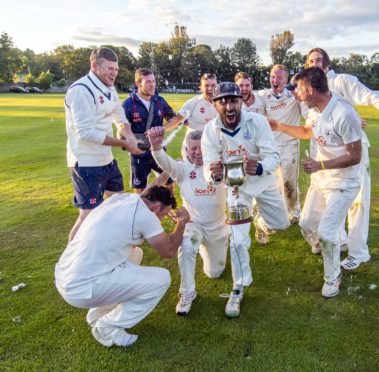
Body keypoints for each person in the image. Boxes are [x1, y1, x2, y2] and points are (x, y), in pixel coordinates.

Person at [55, 186, 189, 347]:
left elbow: (152, 187)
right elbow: (168, 251)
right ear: (154, 208)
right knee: (162, 279)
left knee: (135, 253)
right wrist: (181, 223)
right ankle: (107, 328)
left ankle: (98, 314)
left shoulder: (121, 198)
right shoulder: (146, 216)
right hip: (80, 289)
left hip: (65, 276)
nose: (162, 219)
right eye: (164, 214)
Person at [268, 67, 362, 298]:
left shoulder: (344, 114)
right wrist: (278, 126)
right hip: (320, 183)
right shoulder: (315, 110)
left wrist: (320, 165)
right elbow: (306, 132)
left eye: (299, 90)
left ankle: (333, 278)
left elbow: (355, 156)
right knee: (306, 225)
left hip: (343, 183)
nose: (296, 94)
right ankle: (327, 246)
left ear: (310, 90)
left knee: (327, 232)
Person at [305, 47, 379, 270]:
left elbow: (369, 96)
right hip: (324, 152)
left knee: (357, 201)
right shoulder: (308, 88)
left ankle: (358, 252)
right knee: (328, 202)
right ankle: (337, 241)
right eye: (311, 61)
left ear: (327, 64)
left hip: (351, 151)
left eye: (319, 60)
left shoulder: (341, 81)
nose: (315, 64)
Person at [201, 82, 289, 317]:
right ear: (215, 104)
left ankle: (260, 221)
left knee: (282, 224)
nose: (229, 106)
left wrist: (259, 167)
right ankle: (239, 286)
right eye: (223, 102)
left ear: (241, 101)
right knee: (238, 241)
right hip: (237, 190)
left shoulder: (257, 122)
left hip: (263, 182)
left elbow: (273, 156)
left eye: (234, 101)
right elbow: (207, 167)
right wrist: (214, 175)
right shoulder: (211, 130)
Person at [147, 127, 229, 316]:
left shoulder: (218, 166)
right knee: (186, 243)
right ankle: (187, 293)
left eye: (201, 147)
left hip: (218, 226)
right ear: (186, 150)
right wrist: (155, 146)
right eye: (193, 148)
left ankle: (209, 248)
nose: (198, 152)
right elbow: (164, 162)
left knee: (214, 273)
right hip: (194, 224)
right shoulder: (182, 168)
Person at [64, 47, 143, 242]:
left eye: (116, 69)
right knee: (88, 215)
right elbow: (85, 132)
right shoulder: (81, 90)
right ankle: (69, 264)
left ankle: (111, 247)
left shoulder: (110, 89)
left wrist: (130, 137)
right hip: (85, 163)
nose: (114, 73)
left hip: (106, 160)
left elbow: (120, 117)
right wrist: (122, 142)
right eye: (110, 68)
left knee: (118, 204)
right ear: (94, 66)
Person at [256, 65, 305, 229]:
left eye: (278, 77)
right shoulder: (263, 96)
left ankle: (294, 211)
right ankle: (269, 212)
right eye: (272, 76)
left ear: (285, 80)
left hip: (289, 145)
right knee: (269, 182)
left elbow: (309, 112)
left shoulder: (294, 97)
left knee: (288, 182)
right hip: (269, 147)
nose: (274, 80)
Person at [122, 68, 184, 193]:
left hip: (159, 149)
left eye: (154, 81)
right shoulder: (128, 104)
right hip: (139, 152)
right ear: (138, 83)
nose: (152, 85)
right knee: (139, 189)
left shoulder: (159, 101)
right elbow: (122, 128)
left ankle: (166, 210)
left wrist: (163, 128)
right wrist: (128, 142)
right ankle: (141, 211)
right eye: (148, 82)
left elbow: (174, 119)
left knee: (168, 184)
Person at [177, 73, 218, 157]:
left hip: (212, 151)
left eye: (213, 85)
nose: (210, 88)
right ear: (201, 88)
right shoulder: (192, 103)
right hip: (192, 151)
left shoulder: (223, 104)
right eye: (206, 86)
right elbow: (176, 120)